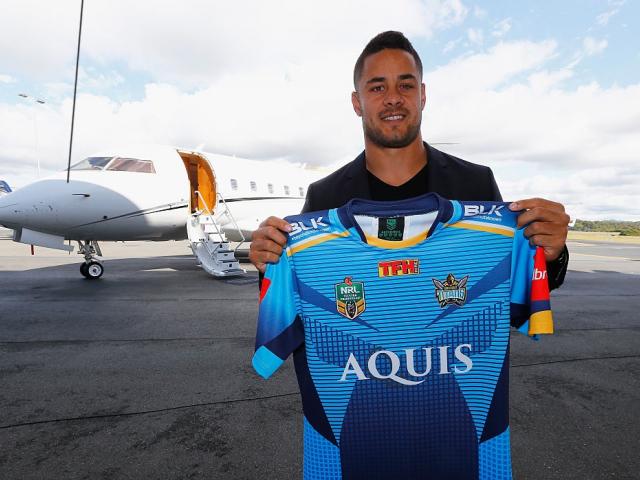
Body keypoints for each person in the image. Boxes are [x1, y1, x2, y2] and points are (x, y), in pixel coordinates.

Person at [249, 30, 569, 287]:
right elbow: (306, 297)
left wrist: (550, 253)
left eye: (405, 85)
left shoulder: (476, 183)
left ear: (423, 95)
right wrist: (270, 262)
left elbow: (508, 290)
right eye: (377, 88)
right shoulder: (324, 197)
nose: (393, 98)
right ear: (357, 103)